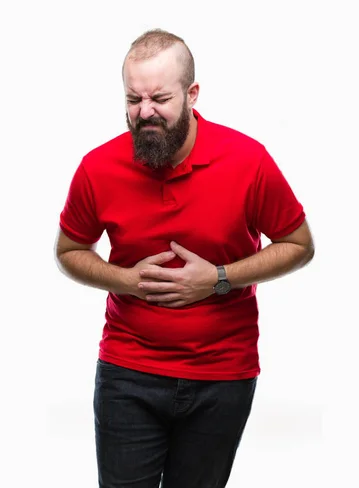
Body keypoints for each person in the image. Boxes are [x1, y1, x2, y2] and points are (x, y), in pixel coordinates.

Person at [54, 28, 315, 488]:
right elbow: (70, 250)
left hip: (223, 374)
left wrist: (218, 277)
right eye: (133, 99)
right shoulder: (98, 167)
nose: (144, 112)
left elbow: (299, 245)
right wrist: (126, 280)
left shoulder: (247, 161)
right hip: (127, 372)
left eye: (159, 97)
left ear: (192, 94)